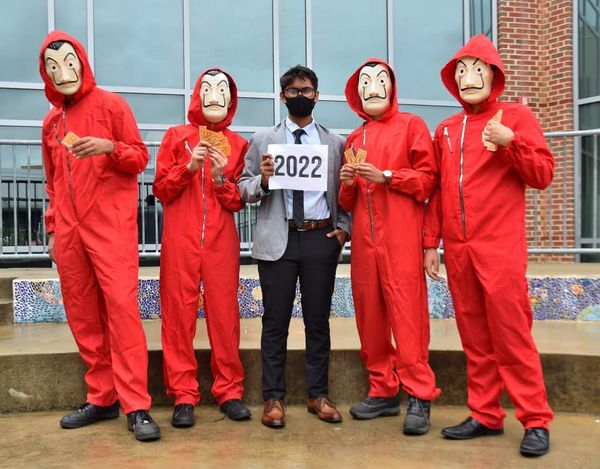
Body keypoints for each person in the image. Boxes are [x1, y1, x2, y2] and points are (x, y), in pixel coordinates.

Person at [423, 35, 554, 457]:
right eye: (460, 71)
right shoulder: (446, 129)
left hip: (499, 249)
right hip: (459, 251)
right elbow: (440, 192)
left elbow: (542, 174)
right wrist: (431, 243)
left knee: (512, 335)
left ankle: (534, 419)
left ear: (495, 74)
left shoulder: (514, 116)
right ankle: (484, 414)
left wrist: (509, 141)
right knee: (475, 337)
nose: (468, 78)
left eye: (477, 69)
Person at [39, 30, 160, 441]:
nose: (63, 72)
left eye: (69, 62)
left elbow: (140, 157)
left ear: (83, 62)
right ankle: (102, 397)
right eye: (53, 67)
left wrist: (110, 147)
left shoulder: (111, 105)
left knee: (122, 314)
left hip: (109, 228)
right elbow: (53, 182)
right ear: (45, 75)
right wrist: (54, 230)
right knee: (83, 315)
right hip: (70, 232)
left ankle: (137, 405)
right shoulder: (51, 122)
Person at [238, 65, 350, 428]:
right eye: (293, 90)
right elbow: (243, 187)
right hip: (278, 239)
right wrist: (265, 181)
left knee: (318, 321)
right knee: (275, 322)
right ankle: (273, 399)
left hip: (320, 238)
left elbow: (344, 195)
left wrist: (343, 230)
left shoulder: (335, 143)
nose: (300, 95)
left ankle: (318, 395)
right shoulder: (262, 139)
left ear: (316, 95)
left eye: (307, 90)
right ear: (282, 96)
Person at [339, 58, 440, 435]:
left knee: (408, 315)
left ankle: (419, 392)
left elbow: (428, 180)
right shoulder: (354, 139)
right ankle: (382, 390)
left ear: (392, 87)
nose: (372, 87)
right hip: (365, 244)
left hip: (401, 238)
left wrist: (386, 176)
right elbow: (346, 202)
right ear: (356, 93)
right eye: (364, 82)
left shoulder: (412, 126)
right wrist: (348, 181)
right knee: (371, 316)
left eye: (380, 80)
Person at [153, 68, 250, 426]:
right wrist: (189, 167)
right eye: (207, 88)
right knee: (178, 314)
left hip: (221, 241)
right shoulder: (176, 136)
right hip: (181, 239)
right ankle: (183, 394)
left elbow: (238, 200)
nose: (214, 95)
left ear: (230, 100)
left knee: (225, 315)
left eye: (222, 90)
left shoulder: (240, 145)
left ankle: (230, 391)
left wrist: (221, 177)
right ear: (196, 94)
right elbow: (160, 189)